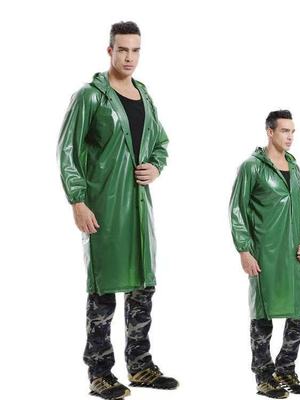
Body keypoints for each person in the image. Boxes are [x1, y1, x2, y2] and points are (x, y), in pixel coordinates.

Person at [57, 21, 178, 399]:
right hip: (105, 208)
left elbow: (161, 142)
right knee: (104, 291)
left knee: (143, 288)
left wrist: (156, 165)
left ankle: (140, 366)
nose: (129, 57)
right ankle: (99, 372)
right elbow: (68, 151)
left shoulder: (144, 95)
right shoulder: (90, 97)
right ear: (109, 50)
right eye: (122, 49)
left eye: (135, 50)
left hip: (140, 209)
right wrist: (78, 200)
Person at [229, 110, 300, 398]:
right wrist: (244, 250)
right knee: (263, 317)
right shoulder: (251, 167)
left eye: (293, 131)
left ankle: (285, 369)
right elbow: (237, 209)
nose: (290, 137)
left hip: (293, 254)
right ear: (270, 132)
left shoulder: (294, 167)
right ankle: (264, 377)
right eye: (284, 131)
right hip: (264, 252)